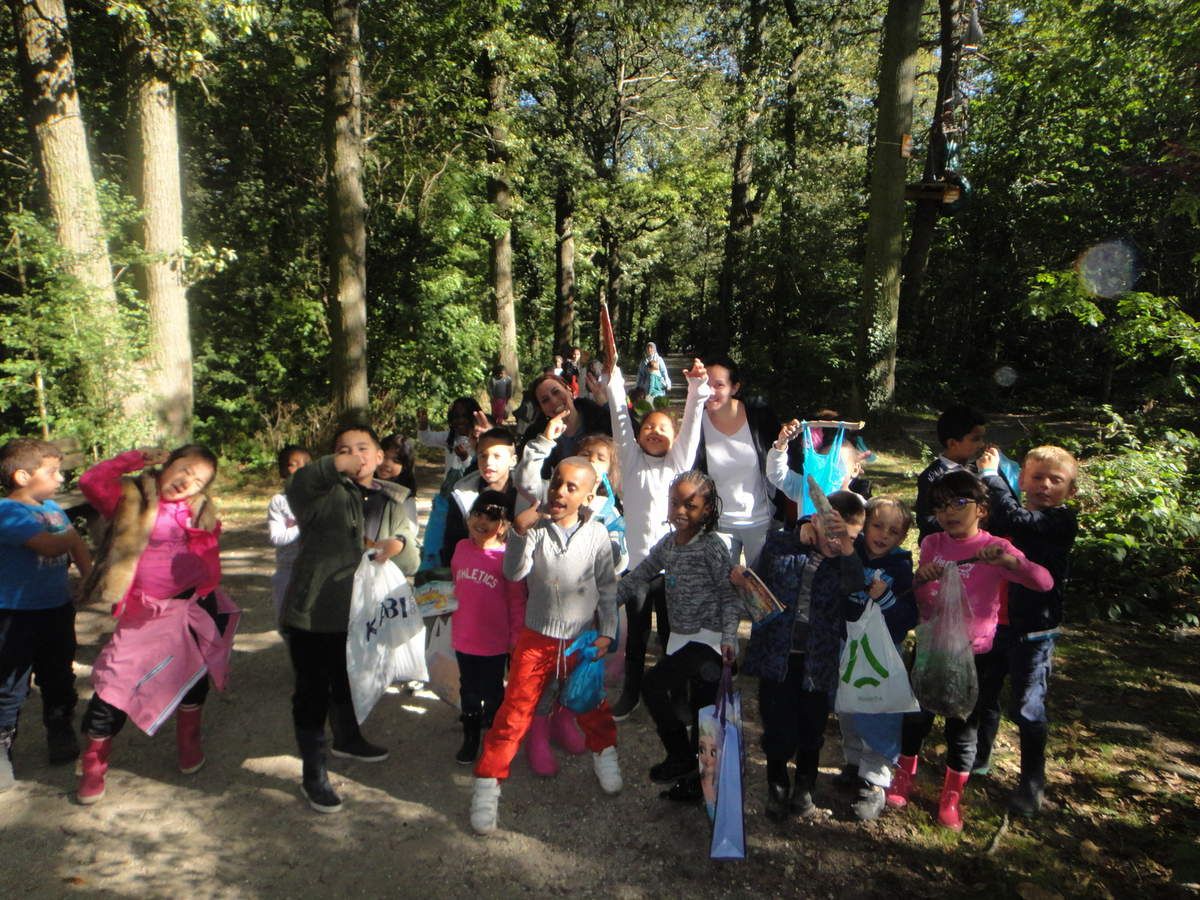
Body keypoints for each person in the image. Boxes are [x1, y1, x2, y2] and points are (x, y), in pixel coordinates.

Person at [888, 470, 1053, 831]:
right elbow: (923, 600)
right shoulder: (933, 543)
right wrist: (921, 580)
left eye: (959, 503)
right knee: (915, 717)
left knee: (963, 728)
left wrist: (1009, 562)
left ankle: (951, 797)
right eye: (941, 506)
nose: (949, 512)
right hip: (933, 649)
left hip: (977, 655)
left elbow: (1044, 582)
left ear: (981, 508)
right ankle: (903, 776)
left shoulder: (994, 547)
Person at [76, 445, 238, 805]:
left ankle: (188, 741)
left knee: (193, 677)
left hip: (190, 607)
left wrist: (204, 543)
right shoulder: (131, 498)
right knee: (114, 686)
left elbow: (208, 567)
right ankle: (94, 762)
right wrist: (135, 458)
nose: (187, 481)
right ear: (167, 465)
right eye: (184, 469)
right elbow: (90, 481)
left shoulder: (200, 511)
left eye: (198, 480)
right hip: (143, 615)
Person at [469, 457, 621, 836]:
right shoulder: (535, 529)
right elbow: (514, 572)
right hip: (536, 640)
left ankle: (604, 753)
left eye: (571, 487)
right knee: (515, 712)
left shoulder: (597, 535)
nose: (559, 492)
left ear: (588, 497)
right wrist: (519, 534)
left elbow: (607, 588)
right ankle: (488, 783)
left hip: (581, 639)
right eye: (556, 483)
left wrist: (607, 632)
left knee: (590, 702)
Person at [282, 424, 420, 813]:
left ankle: (347, 738)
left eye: (363, 448)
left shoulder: (392, 500)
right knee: (312, 693)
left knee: (349, 679)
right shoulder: (321, 492)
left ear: (379, 457)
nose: (355, 455)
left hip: (361, 614)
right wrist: (332, 467)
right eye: (344, 449)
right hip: (314, 613)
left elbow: (412, 558)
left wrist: (398, 545)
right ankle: (313, 773)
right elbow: (298, 486)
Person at [736, 491, 868, 820]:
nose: (837, 543)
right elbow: (760, 577)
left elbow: (856, 584)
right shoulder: (783, 545)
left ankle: (805, 786)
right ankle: (777, 783)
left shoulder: (847, 562)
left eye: (848, 538)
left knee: (812, 726)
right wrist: (797, 535)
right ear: (815, 521)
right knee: (777, 725)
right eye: (832, 533)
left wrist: (847, 548)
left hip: (818, 660)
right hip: (777, 656)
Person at [602, 323, 710, 719]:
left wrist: (697, 388)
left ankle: (675, 694)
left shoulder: (679, 465)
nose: (653, 432)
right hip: (637, 570)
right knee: (636, 636)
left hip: (673, 569)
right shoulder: (631, 461)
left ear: (674, 437)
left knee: (672, 636)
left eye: (662, 428)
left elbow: (693, 425)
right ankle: (631, 691)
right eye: (648, 427)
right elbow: (620, 417)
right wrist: (613, 377)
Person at [616, 471, 741, 801]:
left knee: (653, 685)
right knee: (701, 714)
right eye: (675, 503)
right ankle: (695, 783)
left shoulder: (711, 548)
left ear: (707, 509)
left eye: (690, 505)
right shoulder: (669, 544)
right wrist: (603, 603)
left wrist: (730, 637)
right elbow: (639, 575)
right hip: (682, 639)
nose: (680, 511)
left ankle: (681, 758)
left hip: (709, 641)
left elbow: (729, 596)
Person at [971, 444, 1079, 816]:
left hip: (1034, 631)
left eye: (1056, 480)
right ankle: (979, 758)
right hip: (995, 622)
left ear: (1070, 490)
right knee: (985, 695)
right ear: (1023, 480)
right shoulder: (1015, 513)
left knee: (1028, 707)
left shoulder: (1060, 521)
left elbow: (1015, 519)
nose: (1045, 485)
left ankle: (1032, 782)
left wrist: (991, 475)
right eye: (1037, 477)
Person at [0, 439, 92, 790]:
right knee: (9, 683)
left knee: (58, 674)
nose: (60, 478)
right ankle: (2, 746)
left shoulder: (52, 508)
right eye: (52, 472)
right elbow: (53, 545)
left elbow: (77, 547)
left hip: (56, 609)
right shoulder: (7, 512)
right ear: (23, 476)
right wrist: (72, 535)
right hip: (13, 616)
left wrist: (90, 578)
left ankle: (60, 727)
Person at [834, 496, 918, 821]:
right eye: (878, 526)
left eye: (893, 531)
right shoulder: (850, 552)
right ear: (865, 525)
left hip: (881, 652)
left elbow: (907, 617)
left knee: (878, 711)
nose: (883, 535)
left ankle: (876, 780)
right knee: (848, 707)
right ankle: (854, 762)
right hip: (849, 644)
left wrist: (885, 598)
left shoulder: (900, 568)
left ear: (903, 537)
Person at [450, 491, 526, 765]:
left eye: (491, 518)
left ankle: (494, 734)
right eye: (478, 514)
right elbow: (455, 585)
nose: (481, 522)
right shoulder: (461, 548)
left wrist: (515, 638)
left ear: (504, 526)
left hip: (494, 642)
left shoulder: (508, 558)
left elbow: (517, 602)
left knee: (493, 690)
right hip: (463, 637)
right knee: (468, 688)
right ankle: (470, 736)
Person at [695, 356, 792, 569]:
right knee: (722, 585)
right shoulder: (696, 421)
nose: (710, 391)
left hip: (761, 522)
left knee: (761, 585)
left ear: (735, 387)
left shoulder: (759, 415)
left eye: (719, 385)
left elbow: (782, 458)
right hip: (718, 525)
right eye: (705, 384)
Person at [439, 426, 520, 566]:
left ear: (513, 460)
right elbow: (452, 543)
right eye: (483, 455)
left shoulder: (525, 494)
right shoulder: (462, 495)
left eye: (497, 456)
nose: (488, 462)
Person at [915, 404, 987, 542]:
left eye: (982, 438)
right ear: (953, 443)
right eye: (975, 439)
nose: (981, 444)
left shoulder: (979, 470)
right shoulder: (932, 477)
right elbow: (926, 521)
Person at [521, 373, 612, 479]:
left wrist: (606, 406)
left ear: (569, 390)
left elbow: (627, 440)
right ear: (542, 409)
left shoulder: (601, 417)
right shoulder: (537, 436)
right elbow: (528, 479)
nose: (554, 401)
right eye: (545, 400)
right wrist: (544, 440)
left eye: (556, 392)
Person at [267, 445, 311, 622]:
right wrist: (303, 524)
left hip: (317, 571)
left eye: (306, 464)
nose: (301, 468)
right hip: (289, 572)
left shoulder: (324, 498)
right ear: (282, 471)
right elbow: (277, 538)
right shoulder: (279, 502)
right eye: (294, 464)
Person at [417, 398, 483, 482]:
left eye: (465, 416)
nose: (460, 420)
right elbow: (426, 439)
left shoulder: (483, 440)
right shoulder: (449, 437)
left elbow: (477, 472)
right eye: (456, 416)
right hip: (449, 489)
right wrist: (423, 424)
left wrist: (465, 458)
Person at [377, 433, 418, 498]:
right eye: (384, 456)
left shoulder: (402, 496)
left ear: (405, 467)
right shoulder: (364, 487)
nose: (387, 464)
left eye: (396, 460)